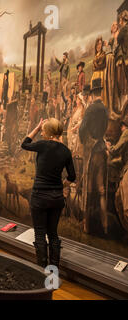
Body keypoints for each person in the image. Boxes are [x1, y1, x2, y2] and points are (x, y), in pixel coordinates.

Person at [21, 118, 76, 268]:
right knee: (53, 234)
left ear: (49, 133)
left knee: (40, 233)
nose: (42, 133)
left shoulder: (43, 145)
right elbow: (72, 176)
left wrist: (37, 127)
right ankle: (53, 271)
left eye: (44, 131)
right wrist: (61, 186)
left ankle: (42, 270)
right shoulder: (65, 151)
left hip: (39, 195)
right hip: (56, 198)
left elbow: (24, 144)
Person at [79, 78, 109, 234]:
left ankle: (86, 226)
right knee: (102, 190)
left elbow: (82, 129)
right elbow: (104, 128)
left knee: (88, 190)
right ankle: (105, 227)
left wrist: (85, 142)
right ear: (101, 92)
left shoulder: (90, 109)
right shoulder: (105, 109)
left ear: (92, 93)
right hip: (101, 151)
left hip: (91, 152)